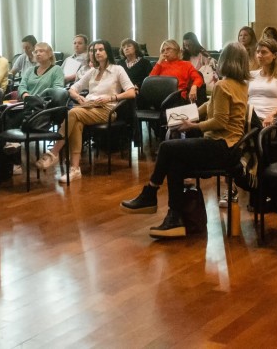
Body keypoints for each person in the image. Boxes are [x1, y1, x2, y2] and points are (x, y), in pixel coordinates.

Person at [120, 42, 250, 238]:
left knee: (166, 147)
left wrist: (193, 125)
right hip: (231, 149)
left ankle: (151, 193)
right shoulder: (241, 85)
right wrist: (186, 115)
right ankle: (174, 219)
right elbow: (209, 106)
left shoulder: (223, 85)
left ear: (225, 60)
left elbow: (220, 122)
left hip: (219, 146)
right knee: (175, 162)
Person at [36, 39, 137, 181]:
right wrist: (78, 98)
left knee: (73, 113)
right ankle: (75, 169)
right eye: (95, 50)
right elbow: (72, 88)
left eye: (101, 49)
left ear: (108, 52)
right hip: (87, 108)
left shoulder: (117, 69)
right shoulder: (93, 71)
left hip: (106, 110)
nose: (97, 53)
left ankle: (54, 152)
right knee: (76, 122)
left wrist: (111, 98)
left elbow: (131, 92)